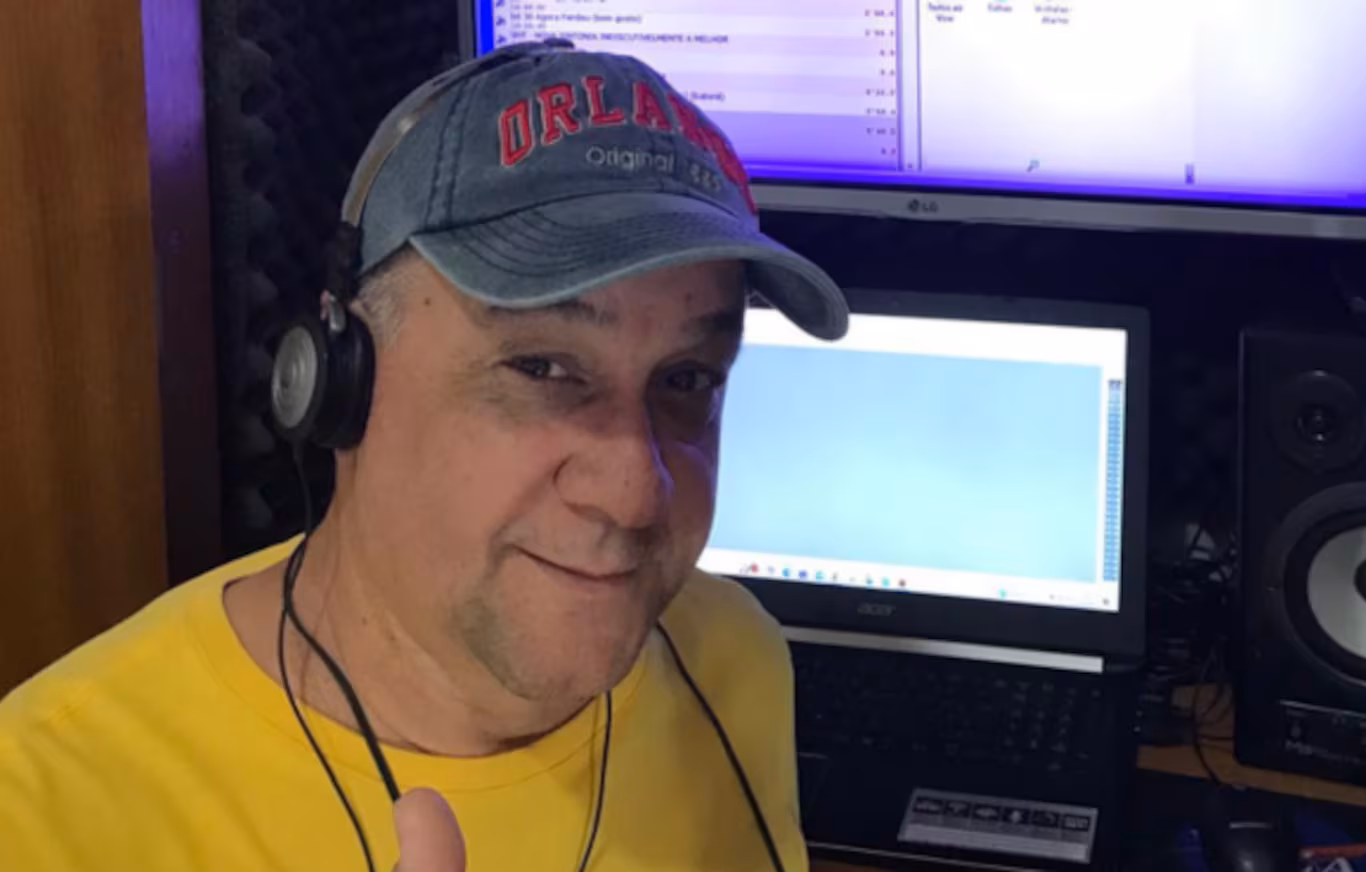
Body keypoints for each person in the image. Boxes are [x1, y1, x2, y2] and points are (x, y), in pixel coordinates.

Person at [0, 43, 848, 872]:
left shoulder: (731, 657)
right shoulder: (42, 814)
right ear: (338, 381)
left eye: (688, 379)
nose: (635, 492)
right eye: (541, 368)